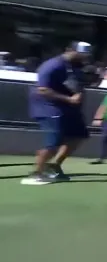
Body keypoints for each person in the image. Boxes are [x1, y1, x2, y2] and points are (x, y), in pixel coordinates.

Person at [22, 41, 93, 185]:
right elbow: (42, 89)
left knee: (77, 136)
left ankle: (54, 166)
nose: (83, 57)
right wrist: (68, 98)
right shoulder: (53, 65)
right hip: (50, 108)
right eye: (80, 54)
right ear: (69, 50)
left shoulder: (76, 66)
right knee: (53, 143)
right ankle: (36, 173)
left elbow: (77, 83)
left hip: (69, 108)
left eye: (85, 55)